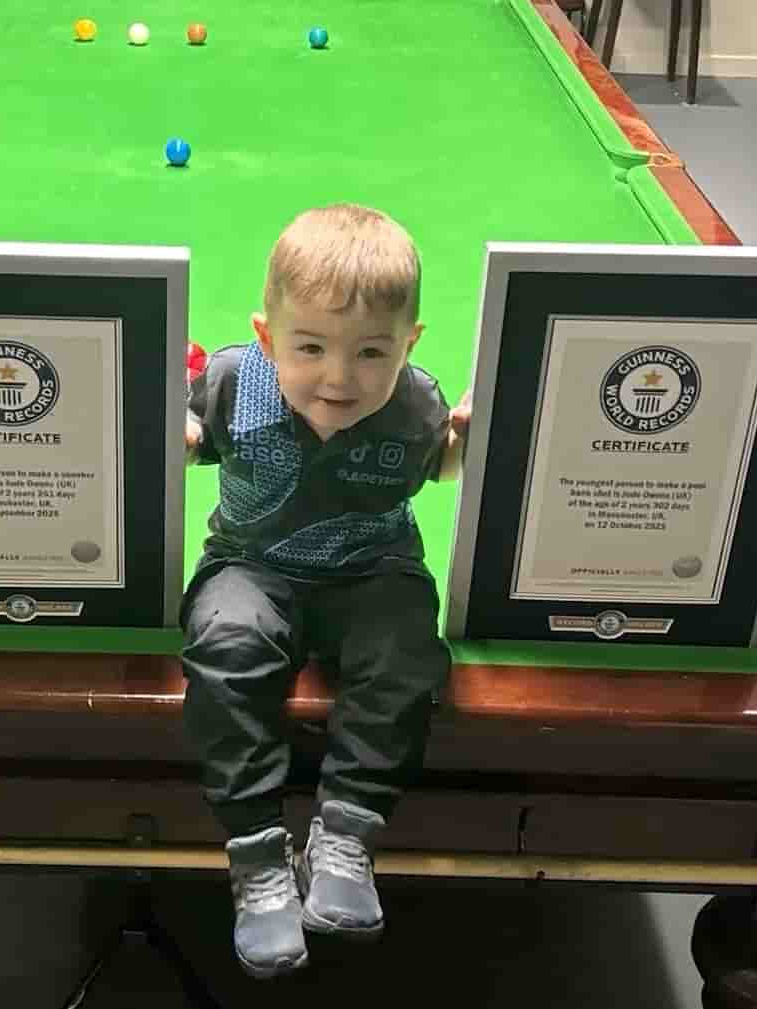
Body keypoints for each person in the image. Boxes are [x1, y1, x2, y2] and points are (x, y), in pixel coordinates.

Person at [182, 203, 471, 978]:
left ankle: (345, 831)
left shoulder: (416, 403)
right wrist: (159, 429)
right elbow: (185, 438)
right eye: (309, 347)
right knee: (225, 643)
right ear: (268, 337)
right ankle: (257, 857)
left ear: (408, 346)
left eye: (371, 352)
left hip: (374, 570)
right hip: (250, 565)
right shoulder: (232, 381)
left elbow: (439, 464)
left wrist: (467, 445)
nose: (339, 377)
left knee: (408, 651)